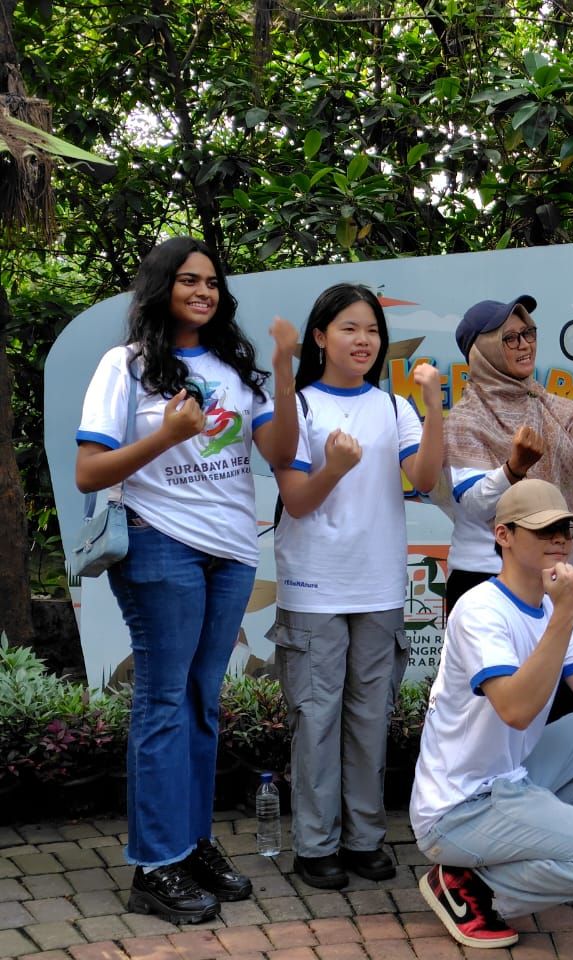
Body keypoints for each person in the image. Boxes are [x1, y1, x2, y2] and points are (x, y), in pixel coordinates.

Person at [75, 236, 299, 923]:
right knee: (164, 703)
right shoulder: (128, 365)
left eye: (212, 283)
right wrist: (167, 437)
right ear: (161, 287)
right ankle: (153, 863)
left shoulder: (236, 366)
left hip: (231, 552)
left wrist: (285, 368)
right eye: (189, 281)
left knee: (202, 702)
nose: (203, 292)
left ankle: (191, 843)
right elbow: (90, 471)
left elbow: (281, 453)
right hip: (158, 545)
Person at [410, 479, 573, 949]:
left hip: (509, 781)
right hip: (457, 808)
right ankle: (475, 888)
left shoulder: (549, 609)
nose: (559, 539)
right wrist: (563, 615)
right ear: (504, 535)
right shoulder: (479, 607)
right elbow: (516, 710)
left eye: (566, 529)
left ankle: (511, 860)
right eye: (544, 530)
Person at [271, 283, 444, 890]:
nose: (363, 339)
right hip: (313, 587)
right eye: (348, 327)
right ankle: (314, 845)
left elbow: (422, 479)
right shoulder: (300, 406)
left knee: (371, 717)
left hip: (377, 588)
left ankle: (364, 837)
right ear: (320, 337)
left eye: (371, 329)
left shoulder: (393, 408)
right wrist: (334, 469)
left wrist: (431, 402)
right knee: (316, 720)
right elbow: (295, 500)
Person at [442, 295, 573, 611]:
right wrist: (514, 468)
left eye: (528, 333)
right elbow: (476, 504)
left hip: (549, 574)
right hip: (484, 576)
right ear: (484, 351)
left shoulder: (557, 410)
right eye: (509, 338)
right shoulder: (465, 419)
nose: (524, 345)